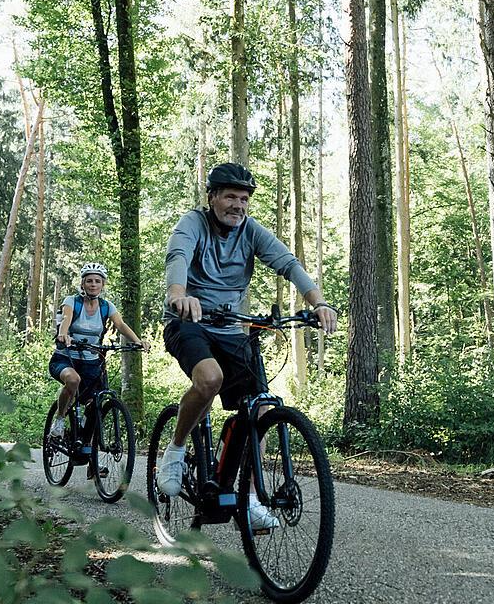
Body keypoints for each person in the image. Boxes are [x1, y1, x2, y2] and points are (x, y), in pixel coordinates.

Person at [155, 162, 338, 529]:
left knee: (258, 410)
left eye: (244, 199)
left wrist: (317, 302)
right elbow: (178, 257)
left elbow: (288, 263)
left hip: (233, 329)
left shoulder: (250, 231)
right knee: (209, 379)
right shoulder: (193, 223)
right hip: (187, 321)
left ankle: (250, 497)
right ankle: (175, 450)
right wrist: (179, 294)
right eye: (230, 197)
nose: (238, 205)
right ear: (212, 198)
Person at [48, 263, 147, 453]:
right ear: (83, 284)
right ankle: (59, 420)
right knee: (73, 379)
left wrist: (138, 341)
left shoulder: (106, 306)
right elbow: (66, 320)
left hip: (92, 362)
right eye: (89, 281)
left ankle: (91, 464)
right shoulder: (72, 301)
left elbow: (121, 325)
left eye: (97, 281)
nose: (93, 284)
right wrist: (63, 334)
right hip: (66, 358)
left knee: (96, 405)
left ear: (103, 285)